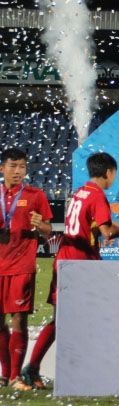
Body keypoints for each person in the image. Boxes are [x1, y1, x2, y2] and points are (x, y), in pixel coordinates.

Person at [22, 152, 119, 389]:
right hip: (81, 265)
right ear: (109, 172)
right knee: (89, 317)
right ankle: (83, 369)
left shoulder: (80, 192)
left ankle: (35, 367)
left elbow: (95, 227)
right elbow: (107, 233)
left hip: (66, 261)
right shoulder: (98, 196)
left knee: (63, 320)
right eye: (114, 174)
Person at [0, 148, 52, 390]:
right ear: (2, 168)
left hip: (22, 266)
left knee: (19, 320)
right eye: (12, 166)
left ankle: (15, 377)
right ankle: (5, 373)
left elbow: (49, 231)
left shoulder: (35, 195)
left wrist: (39, 224)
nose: (17, 171)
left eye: (21, 166)